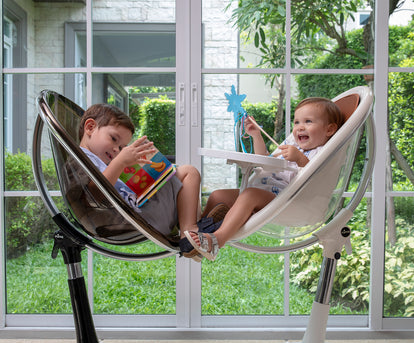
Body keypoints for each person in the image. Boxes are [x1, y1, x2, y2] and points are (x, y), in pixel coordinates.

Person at [184, 97, 344, 261]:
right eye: (296, 122)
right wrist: (256, 136)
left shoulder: (322, 152)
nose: (300, 127)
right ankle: (199, 235)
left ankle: (217, 240)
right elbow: (266, 161)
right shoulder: (293, 146)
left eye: (308, 121)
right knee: (218, 195)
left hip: (284, 199)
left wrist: (301, 160)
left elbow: (316, 178)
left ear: (329, 130)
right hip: (265, 190)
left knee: (249, 195)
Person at [78, 103, 203, 260]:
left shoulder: (96, 160)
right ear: (90, 127)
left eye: (122, 146)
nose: (117, 150)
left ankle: (197, 225)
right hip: (139, 217)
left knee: (177, 176)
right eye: (113, 138)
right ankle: (190, 232)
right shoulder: (81, 160)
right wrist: (120, 162)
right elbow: (92, 195)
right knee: (188, 173)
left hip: (141, 212)